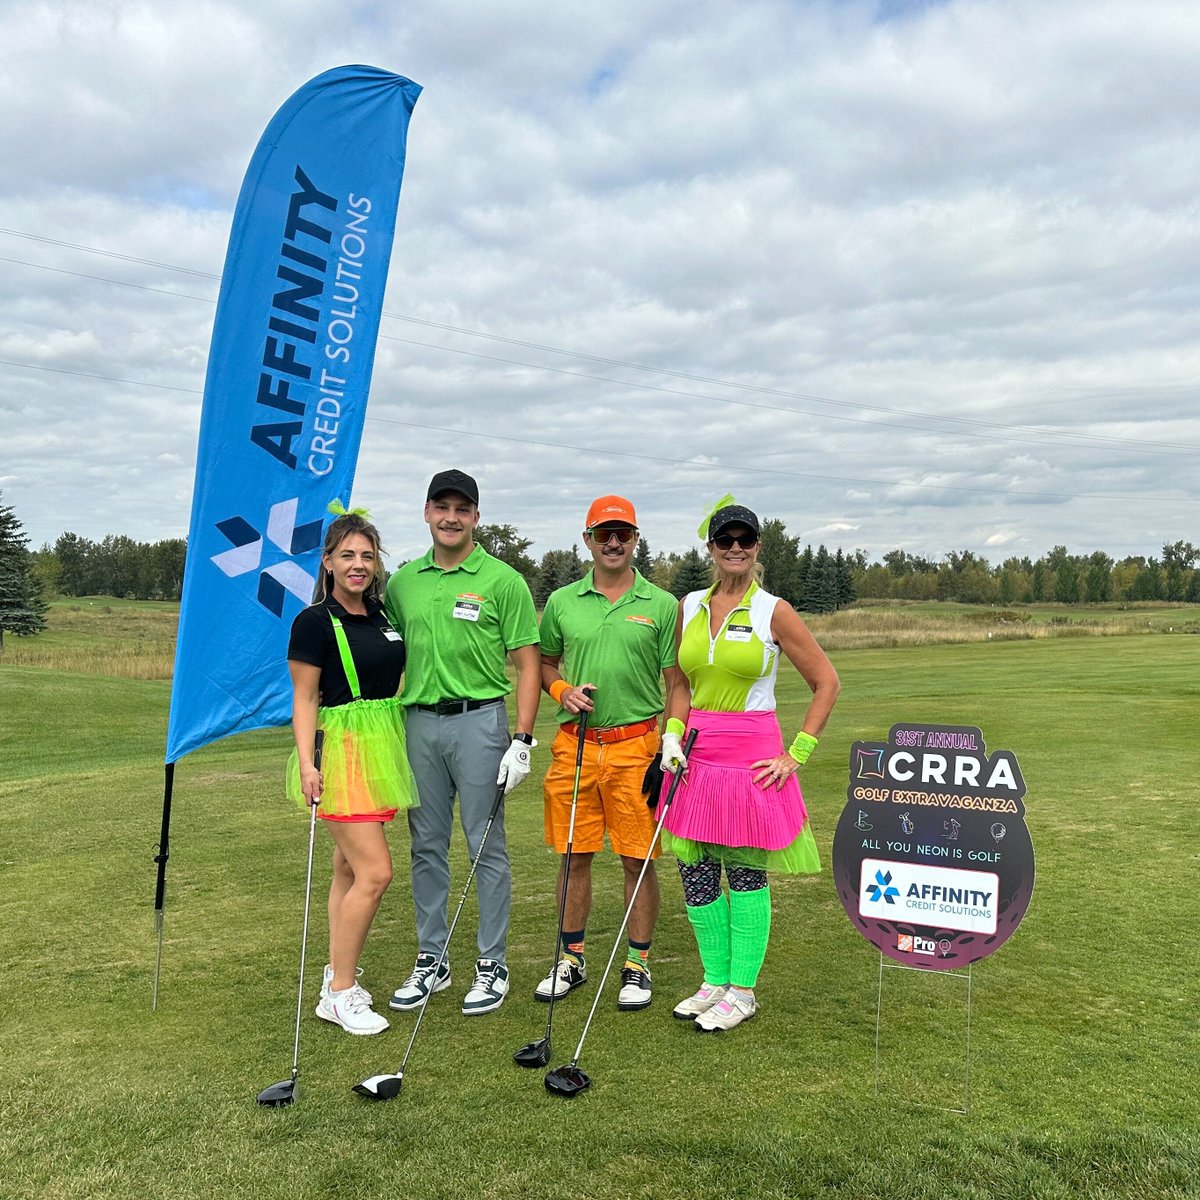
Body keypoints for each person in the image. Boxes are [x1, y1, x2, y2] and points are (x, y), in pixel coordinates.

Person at [660, 499, 840, 1032]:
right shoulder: (688, 605)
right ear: (711, 547)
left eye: (745, 540)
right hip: (695, 758)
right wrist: (671, 737)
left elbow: (826, 682)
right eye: (724, 540)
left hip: (753, 760)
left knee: (743, 874)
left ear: (758, 547)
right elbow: (681, 685)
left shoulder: (773, 610)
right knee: (695, 873)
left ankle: (742, 990)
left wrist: (797, 754)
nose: (734, 548)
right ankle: (714, 981)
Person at [385, 469, 540, 1016]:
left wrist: (521, 738)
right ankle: (433, 958)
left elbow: (526, 664)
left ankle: (491, 962)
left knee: (484, 845)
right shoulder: (402, 583)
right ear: (427, 512)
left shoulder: (503, 581)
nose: (451, 517)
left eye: (462, 508)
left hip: (481, 721)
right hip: (418, 724)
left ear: (476, 516)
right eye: (441, 506)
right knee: (425, 845)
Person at [537, 495, 682, 1011]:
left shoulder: (662, 605)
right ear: (588, 541)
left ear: (636, 539)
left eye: (623, 534)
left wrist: (672, 736)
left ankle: (637, 965)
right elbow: (545, 666)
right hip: (575, 746)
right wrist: (562, 693)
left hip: (637, 747)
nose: (614, 542)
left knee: (636, 861)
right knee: (574, 857)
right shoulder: (561, 602)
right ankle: (571, 959)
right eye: (604, 534)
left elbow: (675, 683)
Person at [286, 504, 419, 1036]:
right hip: (341, 752)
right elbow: (303, 698)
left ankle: (335, 979)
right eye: (348, 556)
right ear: (328, 563)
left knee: (347, 871)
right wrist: (306, 764)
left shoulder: (382, 615)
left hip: (382, 745)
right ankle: (341, 992)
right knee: (376, 872)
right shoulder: (313, 621)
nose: (358, 565)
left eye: (367, 555)